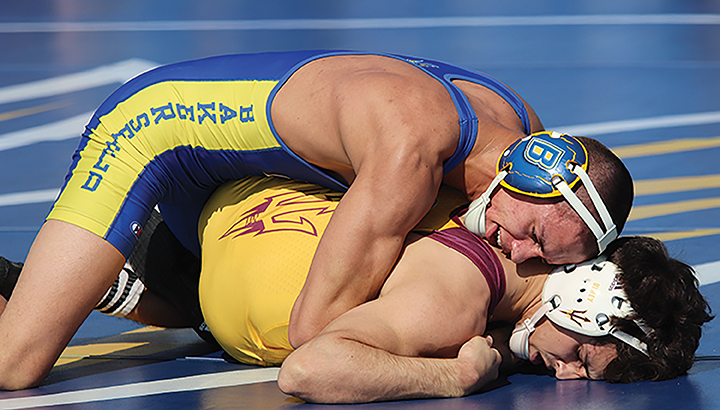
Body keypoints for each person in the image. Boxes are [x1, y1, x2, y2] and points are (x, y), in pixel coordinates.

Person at [0, 51, 633, 389]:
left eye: (549, 265)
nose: (517, 254)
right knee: (15, 366)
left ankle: (119, 281)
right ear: (535, 176)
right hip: (150, 137)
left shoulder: (518, 132)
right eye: (534, 238)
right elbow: (313, 334)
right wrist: (471, 359)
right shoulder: (410, 151)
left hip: (244, 175)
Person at [124, 175, 713, 403]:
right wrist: (452, 378)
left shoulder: (503, 229)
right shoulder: (453, 304)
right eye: (583, 359)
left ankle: (121, 290)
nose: (567, 376)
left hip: (225, 226)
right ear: (584, 300)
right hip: (205, 252)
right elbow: (308, 370)